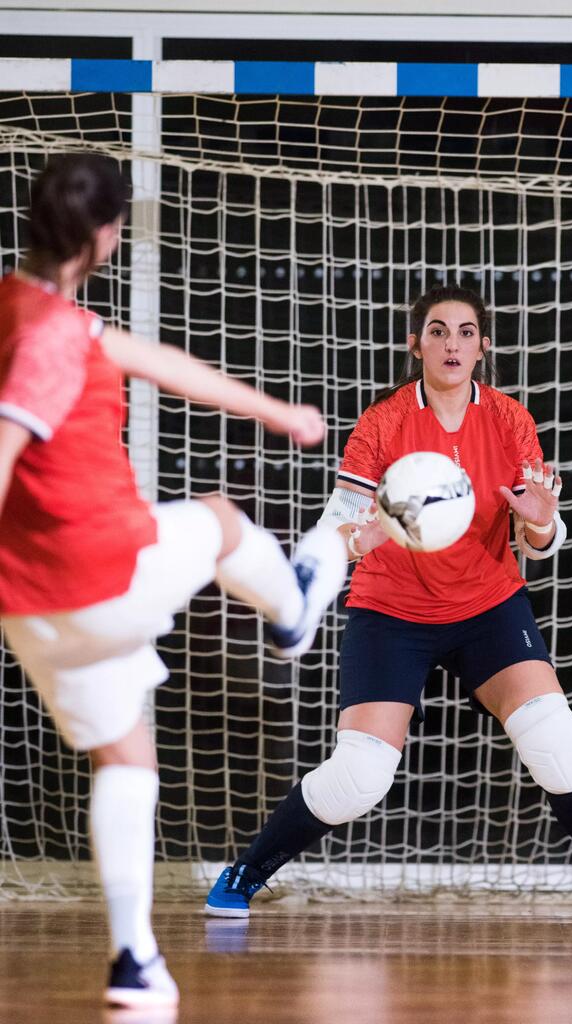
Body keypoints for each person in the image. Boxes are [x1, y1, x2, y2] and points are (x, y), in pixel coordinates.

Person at [205, 283, 572, 922]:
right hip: (392, 610)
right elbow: (334, 528)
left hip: (487, 604)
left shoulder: (510, 421)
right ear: (415, 343)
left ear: (483, 346)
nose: (451, 343)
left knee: (557, 743)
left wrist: (541, 520)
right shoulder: (382, 423)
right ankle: (245, 873)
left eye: (464, 332)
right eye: (437, 330)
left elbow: (541, 539)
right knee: (360, 778)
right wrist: (359, 536)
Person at [0, 153, 347, 1009]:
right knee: (224, 521)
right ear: (109, 234)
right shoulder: (47, 342)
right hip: (103, 574)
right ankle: (294, 608)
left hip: (34, 608)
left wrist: (274, 412)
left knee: (125, 754)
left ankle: (135, 962)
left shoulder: (24, 306)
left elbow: (147, 358)